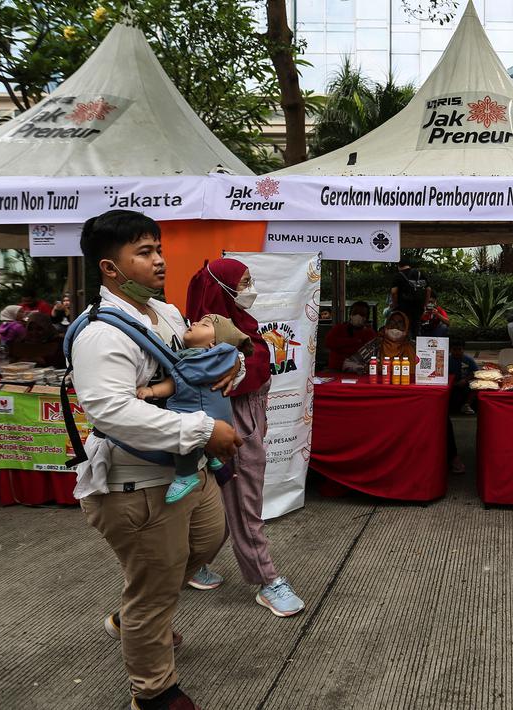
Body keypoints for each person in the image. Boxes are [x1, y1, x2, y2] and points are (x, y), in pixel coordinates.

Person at [70, 209, 243, 710]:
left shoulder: (164, 313)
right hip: (137, 484)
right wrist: (204, 428)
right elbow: (110, 410)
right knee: (155, 594)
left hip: (187, 471)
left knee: (209, 540)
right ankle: (153, 692)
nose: (160, 261)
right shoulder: (101, 333)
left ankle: (132, 616)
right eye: (144, 253)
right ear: (110, 268)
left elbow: (201, 357)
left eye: (158, 249)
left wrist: (231, 366)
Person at [185, 258, 305, 618]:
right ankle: (267, 581)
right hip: (233, 428)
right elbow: (228, 373)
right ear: (221, 289)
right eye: (244, 282)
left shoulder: (238, 324)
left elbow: (254, 366)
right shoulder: (207, 331)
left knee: (220, 503)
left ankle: (190, 566)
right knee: (243, 503)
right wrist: (238, 363)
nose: (250, 289)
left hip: (238, 422)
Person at [135, 314, 252, 504]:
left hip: (199, 413)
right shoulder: (219, 358)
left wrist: (151, 391)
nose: (195, 323)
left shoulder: (195, 361)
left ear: (213, 344)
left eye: (204, 325)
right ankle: (214, 459)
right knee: (204, 439)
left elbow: (175, 383)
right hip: (220, 414)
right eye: (197, 321)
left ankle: (186, 475)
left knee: (186, 439)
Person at [345, 311, 418, 374]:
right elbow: (347, 364)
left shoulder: (414, 347)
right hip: (379, 386)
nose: (395, 326)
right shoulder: (376, 344)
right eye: (392, 322)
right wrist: (368, 368)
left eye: (400, 323)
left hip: (407, 386)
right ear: (386, 326)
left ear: (406, 328)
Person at [326, 301, 376, 371]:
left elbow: (366, 352)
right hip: (336, 369)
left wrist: (341, 346)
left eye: (362, 314)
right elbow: (329, 342)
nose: (358, 316)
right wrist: (355, 341)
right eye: (355, 313)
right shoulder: (339, 328)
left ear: (366, 318)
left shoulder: (370, 333)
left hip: (359, 370)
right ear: (350, 315)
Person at [390, 258, 430, 337]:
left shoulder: (398, 275)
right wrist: (425, 304)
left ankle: (406, 346)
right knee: (416, 327)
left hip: (404, 307)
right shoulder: (420, 273)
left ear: (398, 265)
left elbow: (394, 292)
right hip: (418, 306)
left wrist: (395, 305)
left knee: (404, 327)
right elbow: (428, 290)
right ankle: (416, 345)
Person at [449, 339, 479, 416]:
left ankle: (466, 405)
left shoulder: (469, 360)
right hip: (450, 383)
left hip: (465, 383)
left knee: (476, 386)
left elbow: (475, 372)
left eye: (459, 349)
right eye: (454, 349)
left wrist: (465, 380)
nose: (457, 352)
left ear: (463, 349)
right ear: (450, 350)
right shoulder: (446, 360)